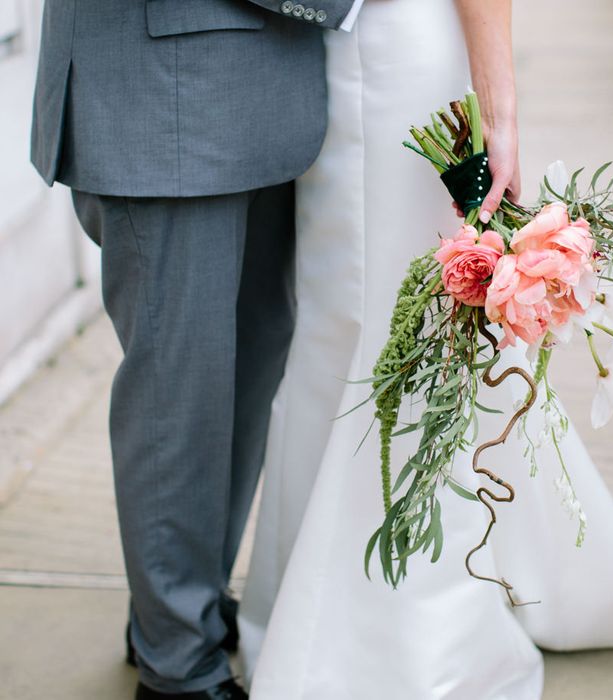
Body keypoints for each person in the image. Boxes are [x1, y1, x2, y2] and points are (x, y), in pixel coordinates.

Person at [237, 0, 613, 697]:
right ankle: (324, 603)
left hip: (390, 51)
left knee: (392, 328)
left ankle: (398, 630)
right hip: (340, 51)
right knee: (348, 325)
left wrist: (499, 110)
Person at [30, 1, 363, 697]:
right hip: (163, 93)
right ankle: (178, 667)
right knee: (180, 394)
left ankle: (177, 607)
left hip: (255, 88)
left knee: (247, 363)